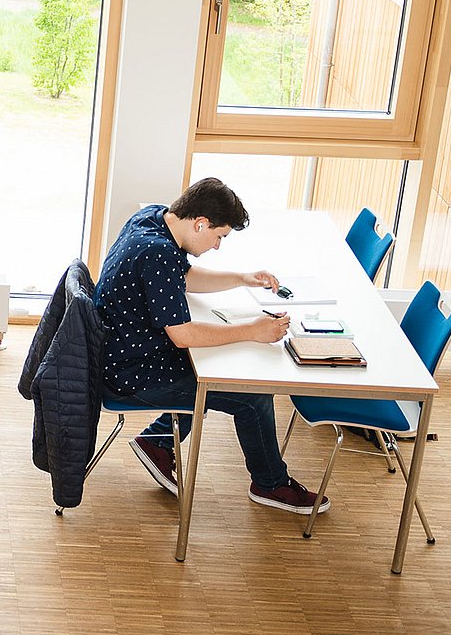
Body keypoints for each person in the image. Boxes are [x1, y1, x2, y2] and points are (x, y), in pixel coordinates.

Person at [94, 177, 330, 515]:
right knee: (250, 395)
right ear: (200, 223)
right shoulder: (158, 253)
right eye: (219, 237)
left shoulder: (153, 219)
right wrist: (252, 330)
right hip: (129, 374)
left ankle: (158, 443)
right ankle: (270, 483)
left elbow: (182, 278)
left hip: (121, 353)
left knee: (213, 367)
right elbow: (183, 335)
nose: (218, 246)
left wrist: (241, 278)